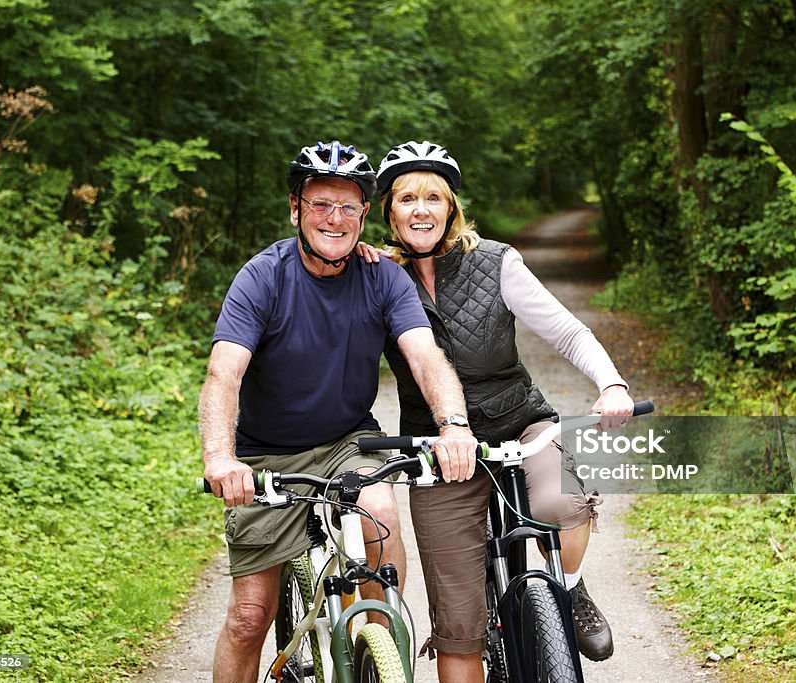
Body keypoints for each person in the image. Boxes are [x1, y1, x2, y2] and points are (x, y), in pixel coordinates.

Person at [199, 140, 478, 683]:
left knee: (383, 523)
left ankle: (375, 649)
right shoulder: (262, 277)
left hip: (349, 440)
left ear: (365, 214)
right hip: (265, 456)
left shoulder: (383, 276)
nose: (334, 218)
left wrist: (455, 425)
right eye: (320, 204)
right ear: (295, 209)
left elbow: (426, 358)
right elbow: (223, 374)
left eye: (348, 206)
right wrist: (220, 457)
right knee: (250, 616)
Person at [365, 140, 638, 681]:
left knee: (564, 503)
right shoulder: (374, 276)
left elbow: (566, 331)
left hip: (521, 424)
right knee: (458, 626)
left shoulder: (495, 262)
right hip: (437, 448)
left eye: (433, 198)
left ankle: (569, 584)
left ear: (451, 208)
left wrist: (611, 383)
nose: (421, 209)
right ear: (389, 212)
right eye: (407, 198)